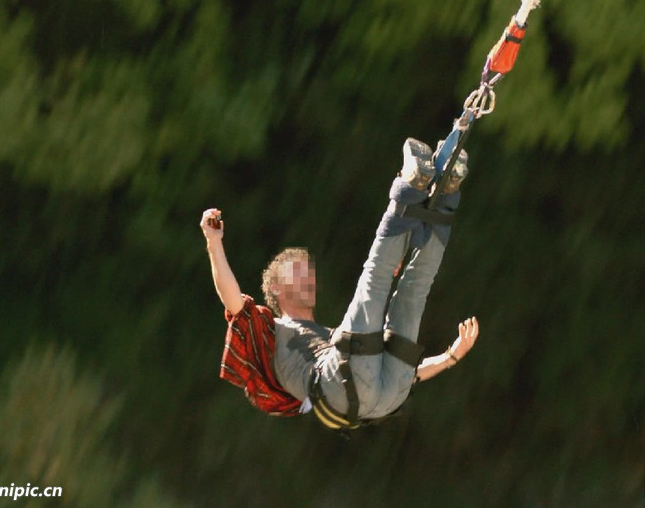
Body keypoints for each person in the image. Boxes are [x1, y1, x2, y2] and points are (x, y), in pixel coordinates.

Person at [201, 138, 479, 431]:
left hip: (382, 396)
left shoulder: (334, 337)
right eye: (297, 273)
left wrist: (450, 357)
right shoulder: (270, 330)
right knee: (377, 277)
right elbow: (232, 300)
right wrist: (214, 243)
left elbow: (410, 374)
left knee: (414, 290)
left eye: (308, 273)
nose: (308, 278)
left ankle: (447, 194)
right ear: (276, 290)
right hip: (342, 389)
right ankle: (410, 186)